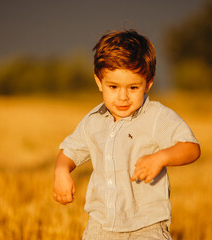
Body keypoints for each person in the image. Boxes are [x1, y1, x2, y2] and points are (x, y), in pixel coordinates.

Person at [53, 29, 200, 239]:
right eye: (113, 86)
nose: (123, 97)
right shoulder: (93, 121)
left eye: (133, 87)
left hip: (147, 227)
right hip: (100, 227)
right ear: (99, 82)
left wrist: (161, 157)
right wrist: (61, 171)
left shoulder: (157, 116)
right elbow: (70, 151)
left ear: (148, 82)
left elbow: (191, 148)